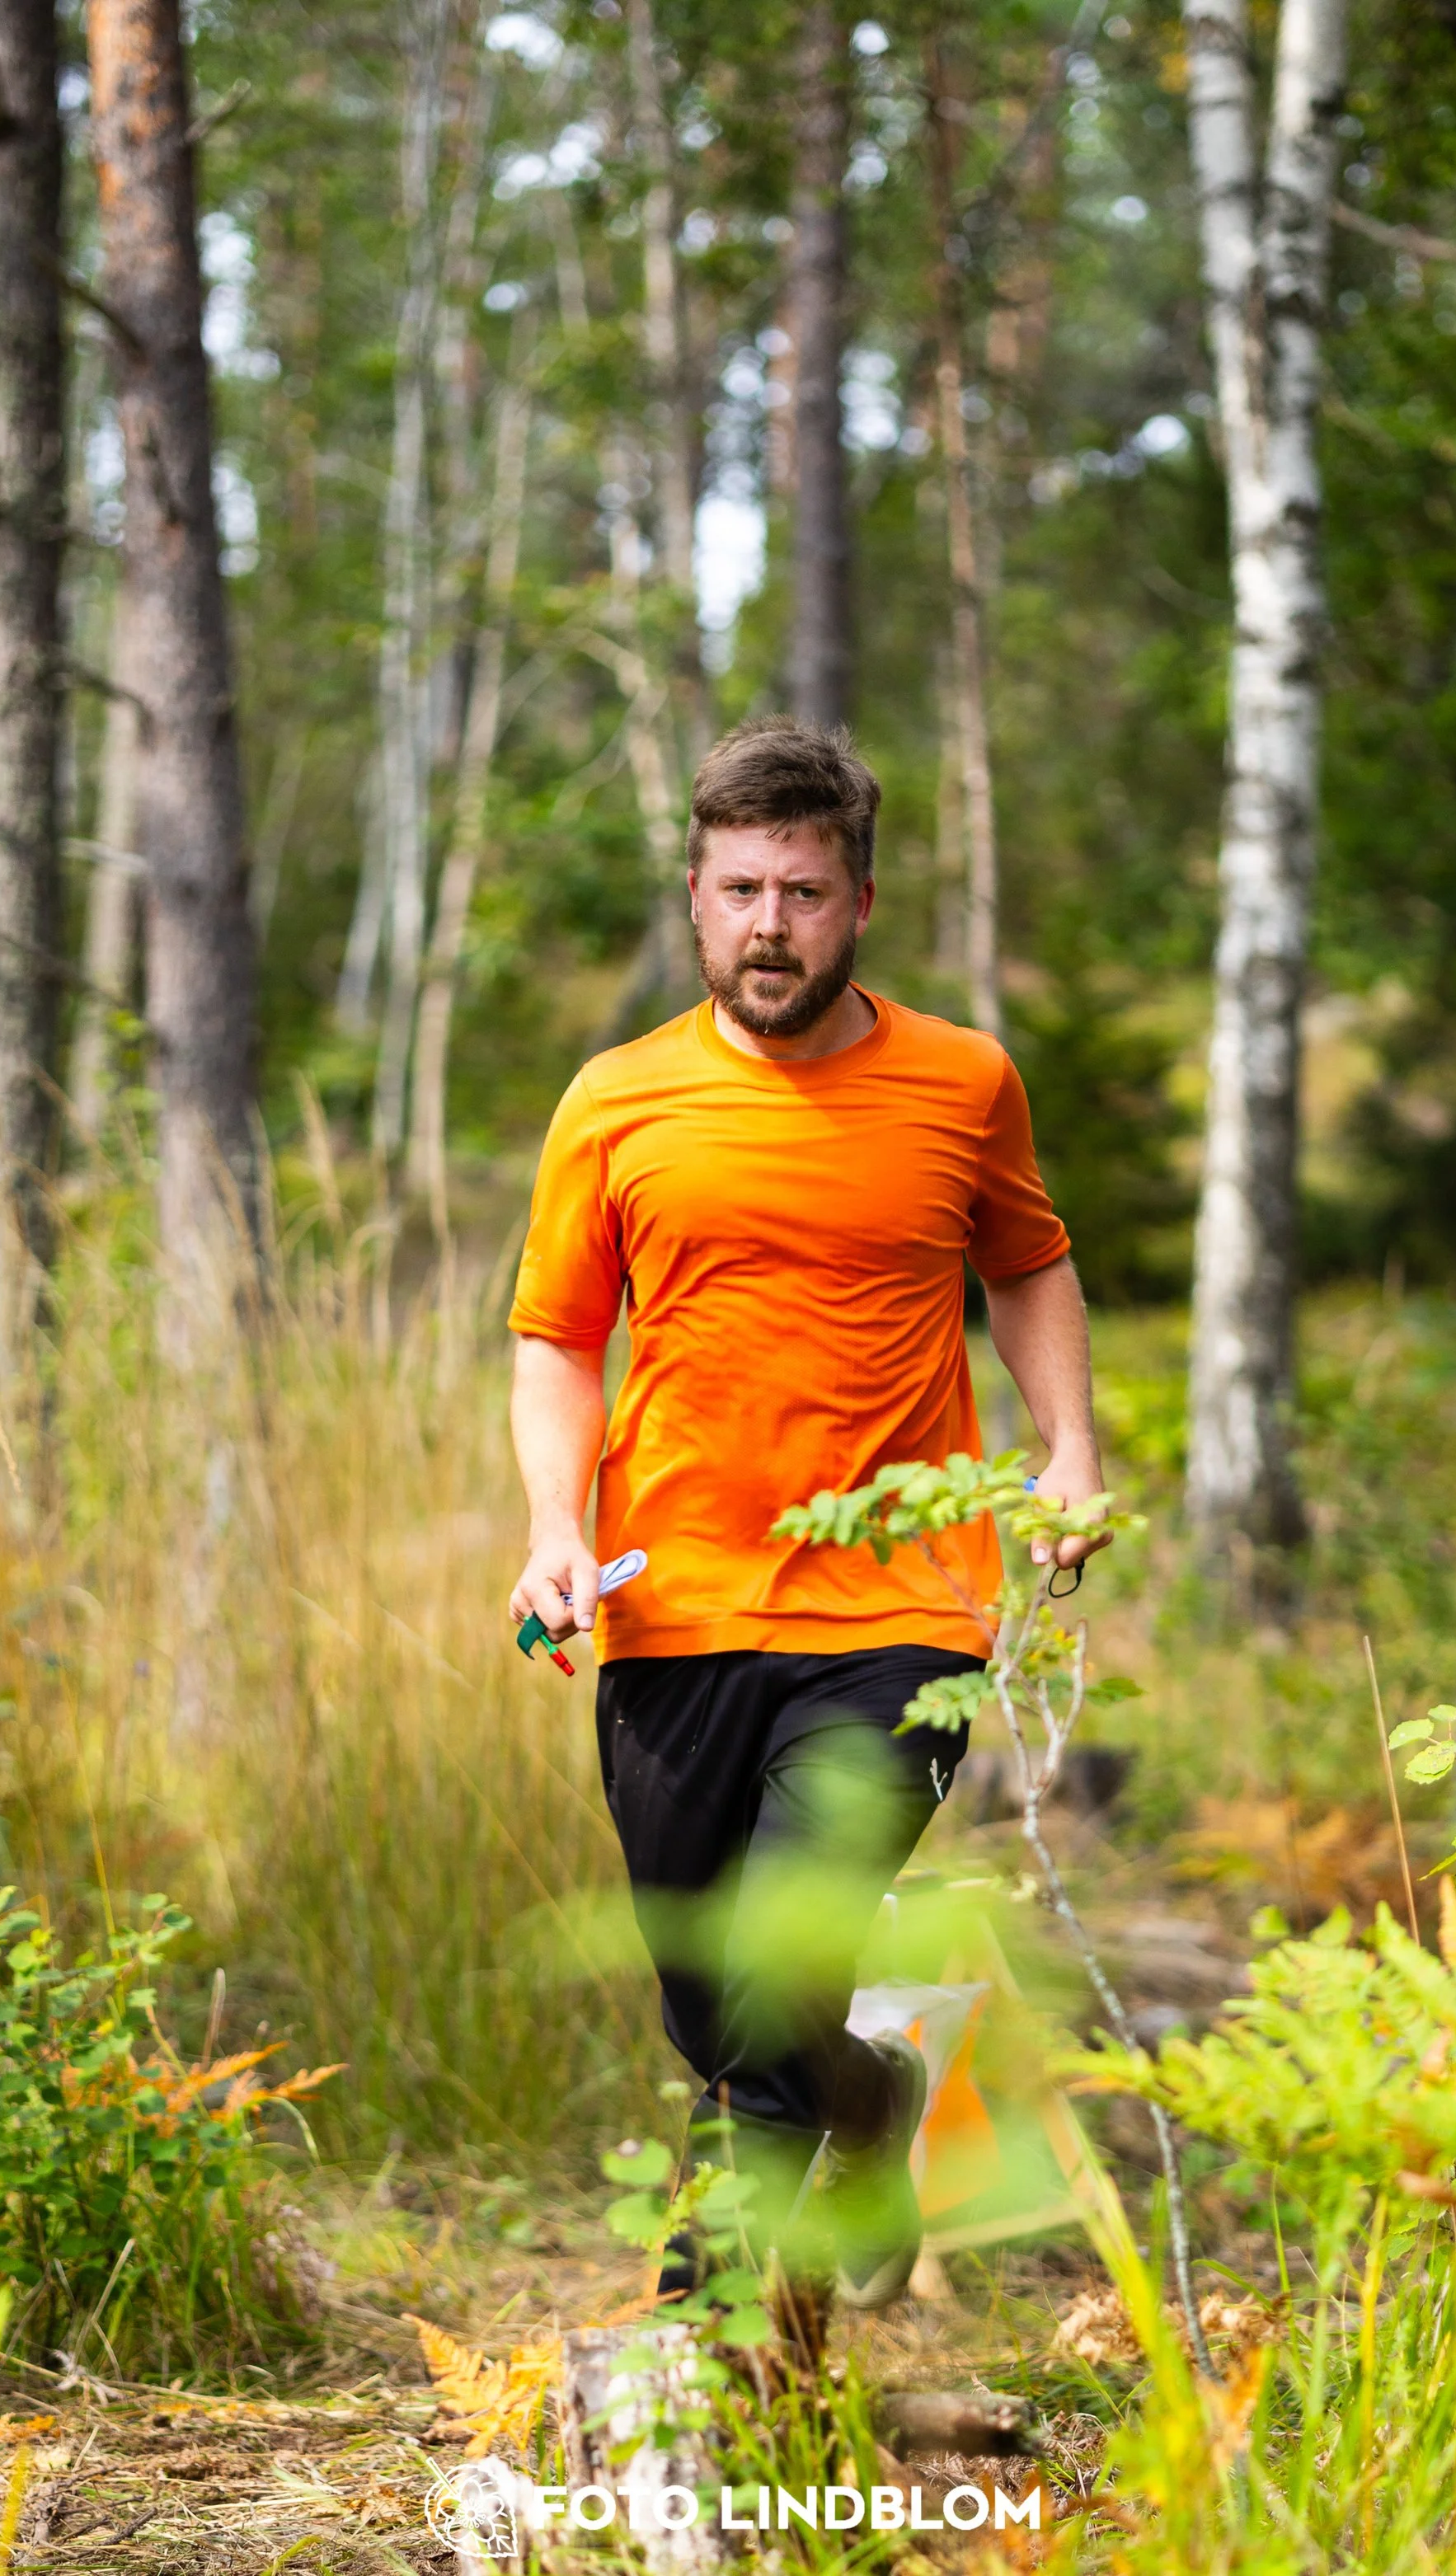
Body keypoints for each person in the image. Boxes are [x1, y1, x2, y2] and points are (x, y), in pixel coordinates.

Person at [506, 716, 1110, 2307]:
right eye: (739, 890)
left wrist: (1070, 1453)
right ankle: (880, 2096)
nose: (769, 925)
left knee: (788, 1933)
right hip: (672, 1599)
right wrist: (553, 1530)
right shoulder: (617, 1102)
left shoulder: (964, 1082)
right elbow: (561, 1337)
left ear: (861, 903)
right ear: (697, 897)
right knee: (713, 1996)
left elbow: (1027, 1262)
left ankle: (724, 2321)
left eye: (805, 891)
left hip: (899, 1609)